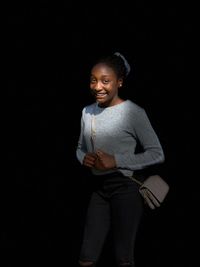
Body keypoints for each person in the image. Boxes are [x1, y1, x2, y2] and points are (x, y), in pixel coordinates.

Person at [76, 52, 165, 267]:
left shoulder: (133, 112)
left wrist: (116, 160)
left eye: (105, 81)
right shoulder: (87, 112)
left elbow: (157, 153)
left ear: (119, 82)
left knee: (123, 257)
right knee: (87, 256)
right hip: (99, 189)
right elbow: (79, 148)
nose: (98, 87)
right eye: (93, 80)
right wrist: (83, 158)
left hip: (125, 189)